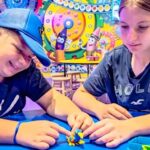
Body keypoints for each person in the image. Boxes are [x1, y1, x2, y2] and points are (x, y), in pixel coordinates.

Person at [0, 8, 93, 149]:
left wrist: (75, 114)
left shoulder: (26, 73)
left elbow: (51, 99)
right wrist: (17, 131)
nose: (23, 62)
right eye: (19, 49)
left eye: (30, 57)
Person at [73, 0, 150, 148]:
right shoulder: (114, 59)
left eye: (142, 27)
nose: (131, 37)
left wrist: (131, 126)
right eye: (124, 26)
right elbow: (80, 94)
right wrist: (99, 108)